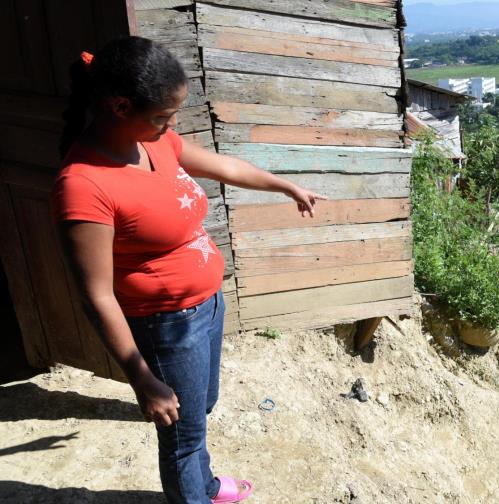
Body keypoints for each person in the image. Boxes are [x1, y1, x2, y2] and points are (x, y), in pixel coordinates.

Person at [51, 36, 326, 504]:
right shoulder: (83, 185)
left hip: (207, 307)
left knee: (201, 407)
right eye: (163, 115)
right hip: (165, 326)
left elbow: (225, 167)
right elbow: (96, 295)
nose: (172, 124)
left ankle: (206, 485)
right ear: (121, 106)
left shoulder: (154, 143)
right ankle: (196, 493)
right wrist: (142, 378)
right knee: (183, 436)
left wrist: (284, 185)